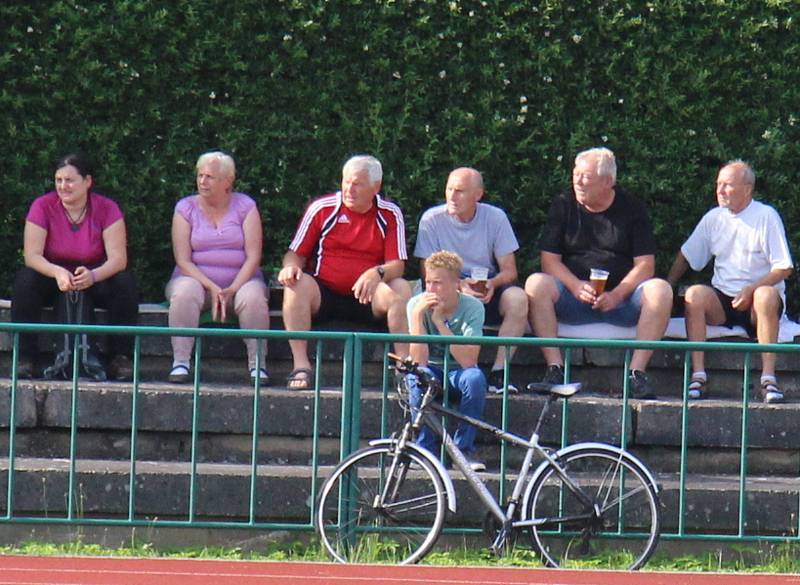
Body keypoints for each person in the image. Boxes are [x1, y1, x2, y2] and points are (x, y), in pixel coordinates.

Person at [525, 147, 673, 398]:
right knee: (536, 283)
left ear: (607, 181)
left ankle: (636, 374)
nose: (578, 182)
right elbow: (549, 261)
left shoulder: (632, 208)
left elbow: (645, 265)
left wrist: (617, 294)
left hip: (622, 301)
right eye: (576, 174)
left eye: (586, 176)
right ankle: (554, 368)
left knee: (661, 289)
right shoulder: (563, 204)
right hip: (573, 298)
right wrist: (574, 285)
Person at [277, 155, 411, 389]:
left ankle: (405, 369)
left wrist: (376, 273)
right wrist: (290, 268)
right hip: (325, 292)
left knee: (400, 287)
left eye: (357, 183)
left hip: (369, 295)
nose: (349, 189)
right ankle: (301, 366)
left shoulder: (390, 213)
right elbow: (294, 254)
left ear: (375, 187)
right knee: (295, 285)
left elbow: (397, 265)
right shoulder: (323, 208)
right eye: (346, 181)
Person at [667, 160, 793, 403]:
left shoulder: (766, 216)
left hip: (759, 302)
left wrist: (752, 289)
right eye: (718, 184)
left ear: (747, 189)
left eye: (727, 185)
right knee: (694, 294)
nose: (720, 190)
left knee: (765, 295)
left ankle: (769, 380)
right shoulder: (714, 218)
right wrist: (668, 286)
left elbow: (784, 267)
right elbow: (687, 254)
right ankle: (698, 375)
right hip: (724, 298)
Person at [11, 151, 138, 380]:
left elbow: (119, 259)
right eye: (59, 180)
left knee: (124, 283)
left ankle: (121, 358)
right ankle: (25, 357)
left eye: (69, 180)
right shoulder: (42, 206)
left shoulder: (107, 208)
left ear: (87, 181)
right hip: (52, 273)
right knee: (25, 281)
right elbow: (32, 255)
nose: (63, 186)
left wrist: (94, 276)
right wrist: (57, 272)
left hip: (94, 273)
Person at [414, 167, 528, 393]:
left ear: (478, 194)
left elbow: (509, 270)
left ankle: (499, 373)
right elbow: (426, 271)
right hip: (446, 290)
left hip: (486, 287)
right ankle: (421, 370)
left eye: (460, 191)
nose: (452, 197)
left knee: (518, 298)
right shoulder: (432, 219)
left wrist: (492, 285)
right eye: (449, 189)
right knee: (419, 297)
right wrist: (458, 286)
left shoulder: (496, 218)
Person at [165, 151, 270, 384]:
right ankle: (180, 362)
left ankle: (258, 366)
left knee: (253, 297)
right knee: (184, 293)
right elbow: (183, 260)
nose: (202, 181)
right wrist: (212, 287)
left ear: (227, 181)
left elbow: (253, 257)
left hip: (241, 281)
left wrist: (231, 289)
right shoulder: (185, 208)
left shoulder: (246, 206)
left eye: (209, 177)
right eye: (200, 176)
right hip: (196, 281)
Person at [406, 250, 487, 472]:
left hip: (457, 371)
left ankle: (463, 449)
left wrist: (441, 323)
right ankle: (425, 451)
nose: (430, 289)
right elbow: (419, 360)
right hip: (430, 367)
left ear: (456, 284)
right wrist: (416, 318)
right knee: (417, 376)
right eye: (428, 282)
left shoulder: (473, 307)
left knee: (475, 378)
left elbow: (469, 362)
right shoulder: (416, 304)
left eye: (438, 283)